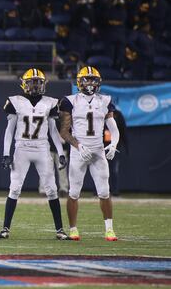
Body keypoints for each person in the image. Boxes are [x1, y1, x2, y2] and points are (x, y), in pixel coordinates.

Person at [0, 69, 70, 240]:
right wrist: (6, 153)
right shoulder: (16, 101)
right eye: (32, 82)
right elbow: (9, 131)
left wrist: (60, 152)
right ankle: (5, 228)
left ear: (44, 84)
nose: (35, 86)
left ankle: (60, 230)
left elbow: (54, 131)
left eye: (38, 83)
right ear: (24, 83)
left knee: (52, 189)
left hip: (42, 148)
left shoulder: (50, 102)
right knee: (14, 188)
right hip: (22, 148)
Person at [58, 66, 119, 241]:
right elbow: (64, 131)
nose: (90, 83)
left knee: (105, 192)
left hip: (98, 150)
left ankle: (109, 229)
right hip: (79, 152)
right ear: (79, 81)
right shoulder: (70, 101)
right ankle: (73, 229)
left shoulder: (105, 101)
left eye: (93, 79)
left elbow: (113, 128)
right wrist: (78, 145)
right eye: (87, 79)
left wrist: (113, 144)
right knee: (74, 192)